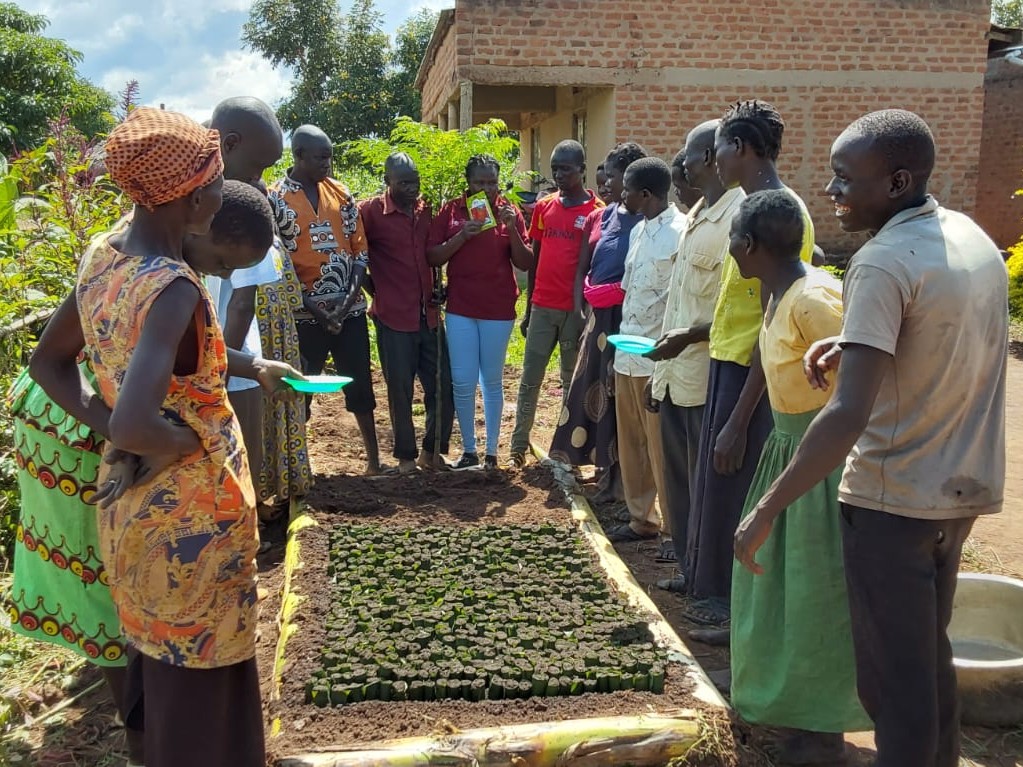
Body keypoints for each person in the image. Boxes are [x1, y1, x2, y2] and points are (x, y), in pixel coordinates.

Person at [735, 109, 1008, 767]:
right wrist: (853, 338)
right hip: (960, 487)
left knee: (891, 687)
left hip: (892, 499)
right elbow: (943, 335)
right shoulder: (967, 237)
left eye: (843, 178)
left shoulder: (880, 261)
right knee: (926, 662)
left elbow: (845, 415)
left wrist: (764, 509)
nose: (829, 192)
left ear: (896, 182)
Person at [28, 108, 299, 767]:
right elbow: (134, 418)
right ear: (192, 194)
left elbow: (51, 362)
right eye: (212, 175)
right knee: (201, 689)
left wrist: (246, 367)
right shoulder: (171, 287)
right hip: (190, 528)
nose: (219, 186)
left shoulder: (106, 254)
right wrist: (179, 442)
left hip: (132, 511)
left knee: (161, 665)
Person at [727, 190, 869, 764]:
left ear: (751, 245)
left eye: (735, 240)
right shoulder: (777, 293)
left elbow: (859, 394)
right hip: (785, 446)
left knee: (816, 593)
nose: (731, 250)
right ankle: (790, 708)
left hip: (818, 462)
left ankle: (824, 732)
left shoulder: (816, 299)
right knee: (778, 588)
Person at [683, 100, 815, 626]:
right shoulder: (750, 205)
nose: (714, 160)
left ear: (739, 148)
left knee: (740, 483)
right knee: (716, 483)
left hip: (754, 375)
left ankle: (734, 607)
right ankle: (708, 584)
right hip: (728, 361)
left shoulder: (780, 213)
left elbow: (773, 323)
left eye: (718, 149)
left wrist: (739, 418)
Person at [646, 120, 745, 588]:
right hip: (676, 374)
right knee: (681, 486)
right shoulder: (699, 215)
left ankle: (710, 581)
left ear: (709, 157)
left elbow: (737, 313)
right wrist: (659, 372)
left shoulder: (739, 217)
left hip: (706, 378)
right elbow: (679, 302)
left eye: (688, 153)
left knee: (708, 490)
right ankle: (689, 569)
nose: (681, 163)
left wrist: (686, 339)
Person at [270, 124, 383, 475]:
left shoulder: (342, 194)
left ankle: (374, 462)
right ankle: (300, 465)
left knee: (360, 384)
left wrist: (346, 303)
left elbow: (358, 252)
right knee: (301, 388)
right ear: (299, 155)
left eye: (329, 157)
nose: (327, 164)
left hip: (348, 313)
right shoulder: (276, 199)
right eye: (320, 157)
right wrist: (316, 309)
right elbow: (279, 262)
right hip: (304, 315)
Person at [549, 142, 647, 499]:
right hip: (598, 319)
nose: (605, 183)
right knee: (592, 395)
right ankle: (602, 473)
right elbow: (583, 267)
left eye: (614, 176)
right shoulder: (602, 216)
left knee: (622, 399)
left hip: (629, 321)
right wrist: (580, 309)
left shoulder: (648, 221)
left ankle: (622, 482)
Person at [205, 97, 287, 501]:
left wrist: (244, 365)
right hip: (218, 369)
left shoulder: (232, 205)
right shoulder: (218, 208)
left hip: (222, 363)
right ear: (230, 143)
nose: (261, 178)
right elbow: (240, 304)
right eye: (259, 167)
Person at [426, 154, 532, 469]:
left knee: (492, 380)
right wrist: (462, 235)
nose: (486, 188)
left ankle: (491, 454)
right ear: (468, 183)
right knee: (462, 379)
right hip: (460, 307)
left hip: (498, 309)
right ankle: (469, 450)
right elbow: (433, 256)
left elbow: (525, 262)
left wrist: (511, 227)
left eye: (491, 182)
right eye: (479, 182)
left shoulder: (509, 213)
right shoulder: (451, 211)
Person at [604, 157, 687, 550]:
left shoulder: (681, 233)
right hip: (627, 354)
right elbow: (629, 291)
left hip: (659, 359)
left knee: (661, 448)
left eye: (628, 190)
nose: (621, 195)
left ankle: (674, 529)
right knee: (633, 443)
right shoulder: (638, 232)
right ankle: (642, 519)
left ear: (646, 194)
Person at [510, 139, 604, 467]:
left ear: (581, 169)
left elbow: (594, 266)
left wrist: (587, 313)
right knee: (530, 380)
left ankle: (564, 454)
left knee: (569, 383)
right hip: (542, 308)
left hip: (574, 311)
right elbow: (535, 257)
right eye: (555, 169)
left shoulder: (596, 213)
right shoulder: (544, 207)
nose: (560, 175)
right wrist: (529, 307)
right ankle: (517, 449)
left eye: (566, 168)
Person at [360, 152, 454, 474]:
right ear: (388, 182)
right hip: (393, 318)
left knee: (443, 385)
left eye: (415, 181)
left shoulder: (426, 209)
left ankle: (431, 451)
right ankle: (405, 459)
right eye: (403, 183)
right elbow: (356, 257)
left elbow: (432, 253)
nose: (412, 188)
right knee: (400, 390)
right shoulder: (370, 213)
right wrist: (377, 291)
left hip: (428, 315)